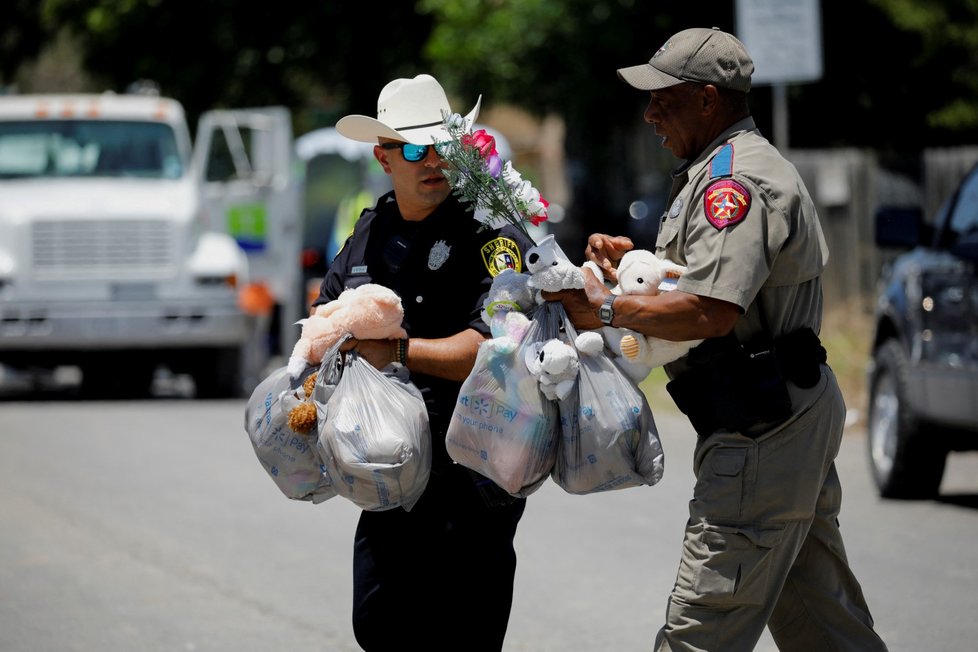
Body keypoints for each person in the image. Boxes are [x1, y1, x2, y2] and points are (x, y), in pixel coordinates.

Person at [544, 27, 889, 651]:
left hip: (764, 429)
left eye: (663, 97)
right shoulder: (715, 169)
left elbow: (710, 312)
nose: (650, 112)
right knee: (821, 625)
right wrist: (632, 267)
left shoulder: (736, 183)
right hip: (775, 419)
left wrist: (608, 307)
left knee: (698, 631)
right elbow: (698, 283)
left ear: (708, 98)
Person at [312, 73, 535, 651]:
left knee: (460, 636)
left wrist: (398, 352)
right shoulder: (369, 231)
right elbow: (324, 324)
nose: (431, 160)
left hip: (471, 474)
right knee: (379, 626)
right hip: (389, 472)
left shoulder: (491, 234)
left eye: (442, 145)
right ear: (383, 157)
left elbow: (494, 350)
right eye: (413, 149)